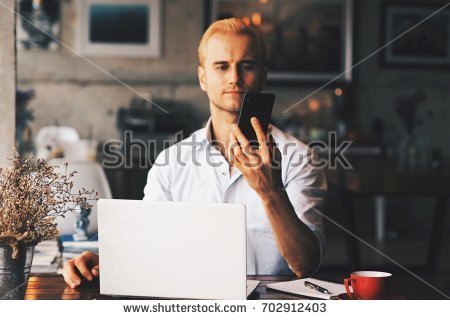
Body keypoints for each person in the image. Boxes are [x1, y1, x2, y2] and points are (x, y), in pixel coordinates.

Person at [63, 18, 327, 289]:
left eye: (246, 66)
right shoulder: (169, 164)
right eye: (222, 66)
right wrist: (103, 261)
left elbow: (306, 264)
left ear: (263, 75)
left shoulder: (300, 159)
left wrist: (272, 193)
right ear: (203, 78)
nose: (234, 77)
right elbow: (147, 245)